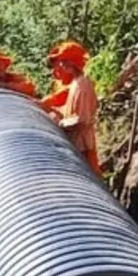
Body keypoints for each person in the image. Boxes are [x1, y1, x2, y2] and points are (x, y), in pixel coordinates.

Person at [45, 40, 102, 177]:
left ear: (74, 62)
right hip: (76, 141)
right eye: (62, 61)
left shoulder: (82, 85)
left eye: (66, 61)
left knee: (88, 176)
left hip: (83, 144)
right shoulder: (75, 83)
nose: (62, 65)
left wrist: (60, 124)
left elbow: (81, 119)